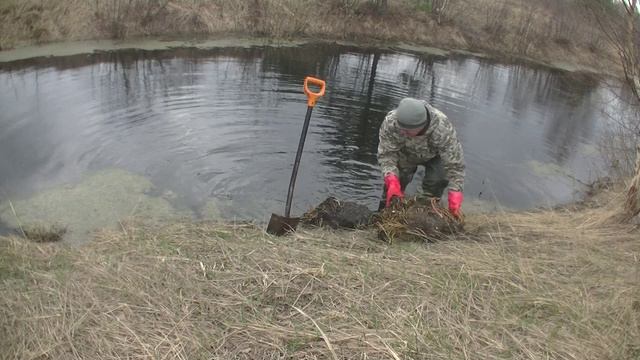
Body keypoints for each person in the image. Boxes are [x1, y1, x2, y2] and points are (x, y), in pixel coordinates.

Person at [377, 97, 465, 217]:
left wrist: (455, 190)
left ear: (421, 127)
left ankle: (423, 214)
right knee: (393, 188)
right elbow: (386, 153)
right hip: (405, 153)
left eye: (407, 131)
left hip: (435, 156)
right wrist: (391, 178)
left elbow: (455, 164)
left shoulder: (442, 128)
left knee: (436, 182)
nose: (402, 133)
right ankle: (385, 214)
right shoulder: (391, 122)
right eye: (400, 129)